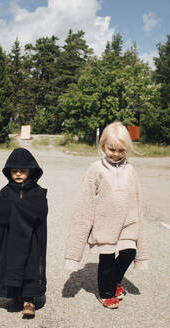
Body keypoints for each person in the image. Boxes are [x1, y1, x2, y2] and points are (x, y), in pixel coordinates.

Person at [65, 122, 148, 309]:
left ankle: (114, 281)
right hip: (105, 226)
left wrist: (137, 225)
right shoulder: (96, 169)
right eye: (112, 149)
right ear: (103, 146)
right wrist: (76, 248)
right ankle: (106, 293)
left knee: (129, 252)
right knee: (107, 259)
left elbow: (137, 199)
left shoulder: (130, 170)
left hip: (127, 223)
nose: (116, 154)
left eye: (121, 150)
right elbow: (85, 203)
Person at [0, 148, 48, 319]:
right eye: (14, 170)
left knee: (31, 266)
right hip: (11, 240)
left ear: (31, 171)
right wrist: (18, 210)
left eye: (22, 170)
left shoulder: (38, 193)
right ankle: (15, 294)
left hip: (32, 239)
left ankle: (29, 300)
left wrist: (19, 210)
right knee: (11, 265)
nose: (18, 174)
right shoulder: (5, 192)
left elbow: (41, 211)